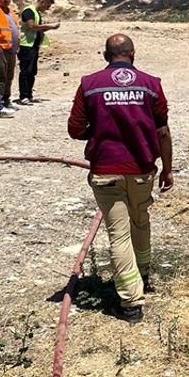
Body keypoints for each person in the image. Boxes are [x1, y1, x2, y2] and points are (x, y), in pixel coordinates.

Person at [68, 34, 173, 323]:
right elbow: (162, 131)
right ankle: (143, 275)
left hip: (106, 172)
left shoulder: (90, 85)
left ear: (105, 56)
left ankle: (131, 303)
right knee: (141, 221)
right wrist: (167, 168)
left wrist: (100, 129)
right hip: (141, 171)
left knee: (119, 234)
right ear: (133, 54)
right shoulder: (151, 85)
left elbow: (75, 128)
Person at [17, 0, 58, 105]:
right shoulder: (28, 11)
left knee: (32, 71)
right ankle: (23, 96)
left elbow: (37, 30)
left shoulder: (37, 13)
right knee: (26, 71)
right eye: (47, 6)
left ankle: (29, 95)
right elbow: (31, 26)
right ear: (42, 2)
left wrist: (49, 29)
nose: (47, 9)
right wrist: (49, 26)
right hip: (26, 45)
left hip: (34, 45)